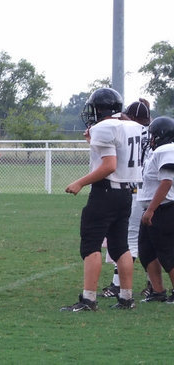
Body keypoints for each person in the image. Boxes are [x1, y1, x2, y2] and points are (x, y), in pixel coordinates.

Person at [61, 87, 143, 311]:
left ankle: (89, 299)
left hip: (105, 192)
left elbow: (109, 165)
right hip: (127, 193)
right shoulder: (134, 126)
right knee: (120, 247)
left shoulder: (104, 127)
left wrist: (80, 182)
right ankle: (126, 298)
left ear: (100, 108)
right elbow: (119, 156)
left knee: (90, 244)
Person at [100, 98, 152, 298]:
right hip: (154, 191)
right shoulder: (152, 131)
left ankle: (117, 285)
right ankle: (153, 285)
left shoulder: (124, 130)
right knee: (150, 239)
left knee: (127, 238)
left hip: (134, 188)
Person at [136, 116, 174, 303]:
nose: (150, 139)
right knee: (147, 251)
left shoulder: (168, 149)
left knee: (168, 253)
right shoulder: (160, 150)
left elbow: (166, 182)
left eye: (153, 135)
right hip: (153, 208)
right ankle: (158, 291)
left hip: (163, 209)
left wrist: (151, 210)